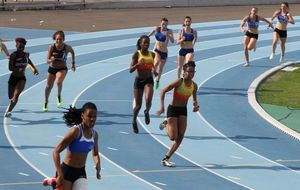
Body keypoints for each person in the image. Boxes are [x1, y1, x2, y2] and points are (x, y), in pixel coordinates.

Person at [156, 61, 199, 167]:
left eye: (193, 72)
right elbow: (163, 91)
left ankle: (166, 158)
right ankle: (167, 123)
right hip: (173, 109)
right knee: (172, 137)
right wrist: (162, 107)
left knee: (180, 137)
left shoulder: (194, 85)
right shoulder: (179, 81)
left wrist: (195, 105)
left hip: (183, 111)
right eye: (189, 71)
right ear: (184, 72)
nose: (191, 74)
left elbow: (194, 99)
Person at [53, 102, 101, 190]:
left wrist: (98, 165)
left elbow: (95, 154)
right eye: (89, 116)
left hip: (81, 172)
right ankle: (53, 181)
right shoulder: (75, 132)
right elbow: (56, 151)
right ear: (82, 116)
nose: (92, 119)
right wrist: (60, 174)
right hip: (67, 171)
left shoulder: (95, 135)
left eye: (94, 117)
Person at [5, 37, 39, 118]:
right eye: (19, 46)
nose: (21, 48)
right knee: (10, 96)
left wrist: (34, 68)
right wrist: (18, 69)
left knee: (16, 95)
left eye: (22, 47)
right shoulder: (13, 55)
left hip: (22, 78)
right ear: (16, 46)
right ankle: (12, 103)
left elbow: (28, 60)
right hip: (13, 77)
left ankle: (9, 111)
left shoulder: (26, 54)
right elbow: (10, 68)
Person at [44, 30, 76, 112]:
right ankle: (46, 102)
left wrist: (73, 63)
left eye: (60, 39)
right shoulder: (51, 47)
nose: (58, 41)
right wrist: (51, 60)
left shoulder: (67, 47)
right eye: (57, 39)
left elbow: (72, 52)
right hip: (52, 68)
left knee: (58, 82)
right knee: (48, 87)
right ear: (55, 39)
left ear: (63, 39)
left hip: (62, 68)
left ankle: (58, 96)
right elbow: (47, 61)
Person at [129, 35, 156, 134]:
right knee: (138, 106)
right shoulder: (136, 54)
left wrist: (154, 71)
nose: (146, 44)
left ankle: (147, 112)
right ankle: (134, 121)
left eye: (148, 43)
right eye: (144, 43)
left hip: (148, 80)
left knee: (148, 100)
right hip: (139, 81)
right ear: (140, 43)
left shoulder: (152, 54)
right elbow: (130, 70)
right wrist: (137, 64)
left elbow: (152, 65)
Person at [148, 17, 174, 89]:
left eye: (166, 24)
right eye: (163, 24)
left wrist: (168, 35)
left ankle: (157, 81)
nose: (164, 25)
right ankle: (149, 80)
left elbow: (172, 41)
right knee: (156, 62)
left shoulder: (169, 31)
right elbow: (152, 32)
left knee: (160, 68)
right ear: (160, 23)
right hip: (157, 50)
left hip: (164, 52)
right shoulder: (157, 28)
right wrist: (148, 36)